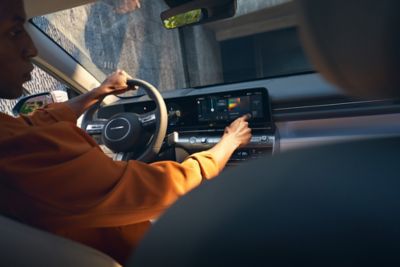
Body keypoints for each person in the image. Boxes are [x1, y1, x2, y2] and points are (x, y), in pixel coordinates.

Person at [0, 0, 252, 264]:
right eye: (14, 31)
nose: (31, 48)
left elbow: (31, 128)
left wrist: (99, 92)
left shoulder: (13, 139)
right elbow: (160, 188)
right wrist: (227, 144)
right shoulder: (26, 158)